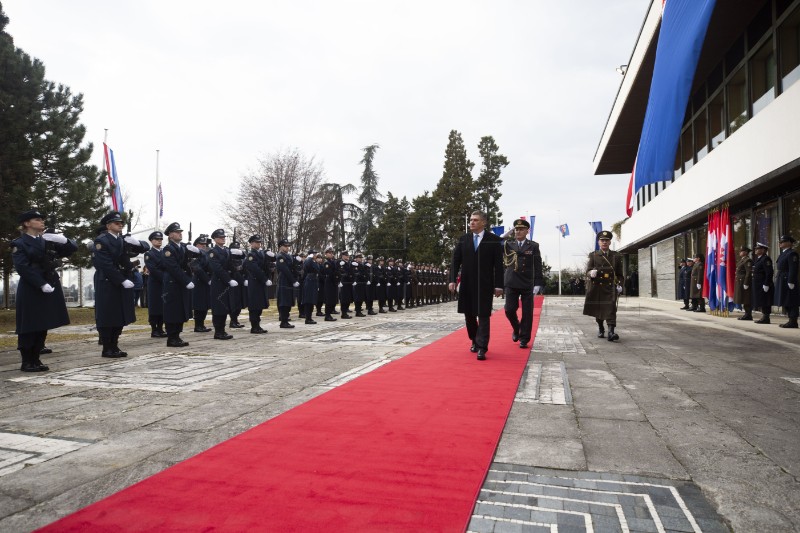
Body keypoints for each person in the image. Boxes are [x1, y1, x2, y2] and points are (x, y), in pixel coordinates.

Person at [12, 209, 78, 372]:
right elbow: (22, 267)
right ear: (27, 224)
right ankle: (27, 361)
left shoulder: (47, 241)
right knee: (29, 324)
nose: (42, 221)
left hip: (49, 283)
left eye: (42, 219)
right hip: (31, 286)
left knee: (43, 323)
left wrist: (63, 239)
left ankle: (36, 358)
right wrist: (40, 283)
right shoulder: (19, 243)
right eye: (37, 219)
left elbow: (72, 249)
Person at [448, 210, 504, 360]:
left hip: (485, 284)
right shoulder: (463, 239)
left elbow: (499, 265)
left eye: (475, 220)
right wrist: (452, 279)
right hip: (467, 283)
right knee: (469, 315)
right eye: (471, 220)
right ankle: (474, 339)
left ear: (483, 222)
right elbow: (455, 261)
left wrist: (499, 285)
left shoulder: (494, 240)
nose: (471, 222)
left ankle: (482, 347)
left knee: (484, 315)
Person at [92, 211, 149, 357]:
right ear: (108, 225)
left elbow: (139, 250)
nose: (120, 225)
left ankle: (115, 345)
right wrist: (122, 280)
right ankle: (107, 347)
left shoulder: (121, 240)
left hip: (120, 281)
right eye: (117, 223)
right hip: (107, 282)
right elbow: (106, 265)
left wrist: (136, 243)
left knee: (119, 315)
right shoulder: (101, 241)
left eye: (121, 223)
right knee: (108, 316)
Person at [503, 218, 544, 349]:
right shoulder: (508, 244)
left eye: (521, 229)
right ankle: (517, 328)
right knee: (509, 309)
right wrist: (504, 236)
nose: (518, 231)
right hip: (511, 281)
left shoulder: (533, 246)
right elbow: (492, 244)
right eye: (516, 229)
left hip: (527, 282)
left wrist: (538, 283)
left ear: (527, 231)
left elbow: (538, 266)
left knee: (527, 312)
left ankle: (524, 338)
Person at [160, 222, 200, 347]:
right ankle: (171, 337)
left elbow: (193, 261)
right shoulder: (168, 249)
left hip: (181, 283)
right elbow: (173, 268)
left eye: (180, 232)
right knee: (173, 311)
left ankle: (177, 336)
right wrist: (186, 281)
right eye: (177, 232)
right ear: (170, 235)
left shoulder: (182, 247)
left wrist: (195, 252)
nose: (180, 234)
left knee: (181, 311)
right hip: (172, 284)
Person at [583, 230, 624, 341]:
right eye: (602, 240)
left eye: (606, 240)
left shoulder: (616, 256)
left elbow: (620, 274)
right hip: (597, 286)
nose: (604, 242)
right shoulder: (594, 255)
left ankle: (611, 332)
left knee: (611, 308)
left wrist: (620, 285)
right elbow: (587, 271)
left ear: (610, 242)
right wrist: (590, 273)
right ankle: (601, 328)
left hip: (610, 287)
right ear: (599, 242)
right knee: (599, 309)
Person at [207, 228, 237, 340]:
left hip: (226, 283)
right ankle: (218, 331)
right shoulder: (212, 252)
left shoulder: (227, 250)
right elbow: (217, 268)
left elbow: (231, 265)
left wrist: (237, 274)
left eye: (224, 237)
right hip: (219, 283)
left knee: (225, 307)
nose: (223, 239)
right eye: (220, 237)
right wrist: (228, 279)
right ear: (215, 239)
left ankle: (222, 330)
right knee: (218, 308)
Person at [143, 231, 168, 338]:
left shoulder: (164, 252)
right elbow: (153, 269)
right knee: (154, 306)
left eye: (160, 239)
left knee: (163, 306)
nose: (159, 241)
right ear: (151, 241)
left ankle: (160, 328)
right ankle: (154, 329)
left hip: (163, 284)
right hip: (155, 284)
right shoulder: (149, 254)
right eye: (156, 239)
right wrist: (165, 278)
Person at [244, 235, 269, 334]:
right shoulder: (251, 255)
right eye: (256, 242)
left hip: (260, 282)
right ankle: (254, 326)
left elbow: (265, 266)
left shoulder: (261, 253)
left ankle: (258, 325)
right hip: (254, 282)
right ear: (251, 243)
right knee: (254, 306)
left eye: (259, 242)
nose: (258, 244)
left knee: (259, 305)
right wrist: (264, 278)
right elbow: (255, 269)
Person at [774, 235, 799, 328]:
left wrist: (791, 280)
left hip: (787, 279)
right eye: (780, 242)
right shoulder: (783, 253)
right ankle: (790, 320)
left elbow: (793, 268)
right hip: (782, 279)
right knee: (785, 300)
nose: (780, 243)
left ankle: (793, 321)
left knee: (791, 300)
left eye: (782, 242)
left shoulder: (792, 253)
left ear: (789, 243)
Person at [190, 234, 213, 332]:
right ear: (196, 245)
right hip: (199, 282)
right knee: (199, 305)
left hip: (206, 282)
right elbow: (197, 269)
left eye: (205, 244)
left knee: (205, 304)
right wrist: (208, 279)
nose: (204, 245)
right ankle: (198, 325)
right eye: (201, 244)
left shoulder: (206, 255)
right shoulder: (193, 255)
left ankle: (201, 324)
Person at [275, 238, 298, 328]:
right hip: (284, 280)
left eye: (288, 246)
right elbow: (285, 270)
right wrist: (293, 280)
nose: (287, 248)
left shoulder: (289, 256)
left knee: (288, 301)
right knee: (284, 301)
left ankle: (285, 320)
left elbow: (293, 268)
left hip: (289, 280)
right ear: (280, 247)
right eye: (285, 246)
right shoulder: (280, 256)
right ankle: (283, 321)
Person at [752, 242, 774, 324]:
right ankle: (764, 317)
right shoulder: (760, 259)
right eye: (756, 248)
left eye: (758, 249)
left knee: (765, 301)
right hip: (759, 284)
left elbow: (769, 272)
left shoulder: (766, 259)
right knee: (761, 300)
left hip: (764, 283)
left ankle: (766, 317)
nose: (756, 250)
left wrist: (766, 284)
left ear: (763, 250)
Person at [733, 246, 753, 321]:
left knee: (746, 299)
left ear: (746, 252)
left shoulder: (748, 261)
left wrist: (746, 283)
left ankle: (748, 314)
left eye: (741, 251)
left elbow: (748, 272)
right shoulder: (742, 260)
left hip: (744, 282)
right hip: (740, 282)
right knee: (743, 298)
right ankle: (746, 314)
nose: (740, 252)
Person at [302, 251, 321, 324]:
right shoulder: (308, 260)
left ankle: (309, 318)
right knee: (308, 300)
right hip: (310, 281)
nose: (315, 255)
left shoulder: (313, 261)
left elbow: (317, 269)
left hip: (313, 281)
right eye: (314, 254)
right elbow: (306, 266)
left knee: (312, 300)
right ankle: (307, 318)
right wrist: (309, 258)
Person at [321, 247, 339, 321]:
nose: (331, 254)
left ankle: (329, 314)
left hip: (333, 282)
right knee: (329, 300)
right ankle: (327, 315)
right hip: (329, 282)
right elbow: (329, 273)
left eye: (332, 253)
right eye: (329, 253)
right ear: (326, 254)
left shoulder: (332, 261)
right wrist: (336, 276)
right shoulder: (326, 263)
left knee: (333, 299)